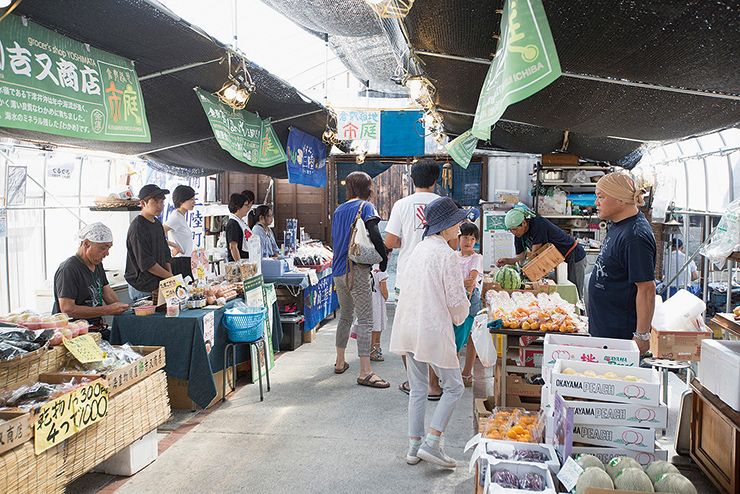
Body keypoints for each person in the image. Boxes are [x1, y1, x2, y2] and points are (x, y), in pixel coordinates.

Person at [389, 197, 470, 468]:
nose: (460, 227)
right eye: (456, 223)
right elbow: (457, 304)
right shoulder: (447, 255)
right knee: (455, 387)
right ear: (445, 226)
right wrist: (466, 309)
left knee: (418, 388)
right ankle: (432, 443)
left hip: (407, 326)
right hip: (432, 328)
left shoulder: (418, 250)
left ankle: (414, 447)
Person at [384, 158, 444, 397]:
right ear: (435, 180)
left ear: (412, 180)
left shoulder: (401, 204)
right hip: (435, 278)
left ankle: (413, 383)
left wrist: (406, 242)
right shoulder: (443, 203)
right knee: (435, 330)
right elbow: (452, 243)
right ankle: (434, 385)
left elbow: (389, 241)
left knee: (407, 332)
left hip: (407, 279)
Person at [331, 171, 389, 388]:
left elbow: (336, 240)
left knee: (345, 315)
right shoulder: (366, 207)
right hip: (356, 269)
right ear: (368, 189)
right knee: (365, 319)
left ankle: (339, 362)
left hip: (337, 271)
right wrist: (383, 259)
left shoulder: (339, 210)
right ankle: (365, 371)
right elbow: (374, 232)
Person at [588, 172, 656, 354]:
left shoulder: (635, 237)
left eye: (600, 197)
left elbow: (647, 288)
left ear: (621, 200)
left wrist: (642, 335)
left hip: (621, 338)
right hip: (606, 333)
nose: (596, 203)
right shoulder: (618, 225)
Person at [53, 223, 130, 335]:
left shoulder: (97, 264)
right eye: (103, 248)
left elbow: (107, 293)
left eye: (109, 248)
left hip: (96, 329)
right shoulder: (68, 269)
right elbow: (67, 309)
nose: (107, 253)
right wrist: (107, 310)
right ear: (86, 244)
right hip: (75, 334)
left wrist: (124, 308)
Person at [496, 206, 588, 299]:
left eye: (515, 229)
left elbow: (536, 254)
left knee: (575, 293)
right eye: (510, 230)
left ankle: (580, 313)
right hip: (558, 260)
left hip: (573, 254)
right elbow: (520, 258)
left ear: (524, 223)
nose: (513, 233)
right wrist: (507, 260)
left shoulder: (538, 223)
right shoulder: (518, 236)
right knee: (563, 294)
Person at [125, 184, 173, 302]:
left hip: (160, 282)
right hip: (143, 287)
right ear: (143, 203)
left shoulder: (157, 223)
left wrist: (170, 277)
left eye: (161, 202)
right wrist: (170, 277)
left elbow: (166, 253)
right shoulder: (137, 228)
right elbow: (146, 263)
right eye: (155, 202)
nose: (159, 206)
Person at [454, 221, 483, 387]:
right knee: (456, 335)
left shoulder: (476, 258)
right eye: (465, 237)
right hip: (456, 297)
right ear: (459, 238)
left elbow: (471, 282)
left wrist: (464, 288)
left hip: (470, 299)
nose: (468, 241)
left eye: (472, 238)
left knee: (471, 336)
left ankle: (467, 373)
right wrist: (461, 283)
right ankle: (455, 371)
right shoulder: (453, 256)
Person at [164, 185, 196, 280]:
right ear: (181, 201)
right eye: (191, 199)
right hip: (180, 261)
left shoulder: (180, 217)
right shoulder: (176, 217)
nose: (194, 202)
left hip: (186, 260)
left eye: (194, 199)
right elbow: (160, 231)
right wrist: (173, 245)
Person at [225, 193, 253, 262]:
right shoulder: (233, 223)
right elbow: (233, 247)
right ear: (238, 206)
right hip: (239, 264)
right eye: (246, 205)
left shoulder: (241, 221)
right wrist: (240, 263)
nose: (248, 208)